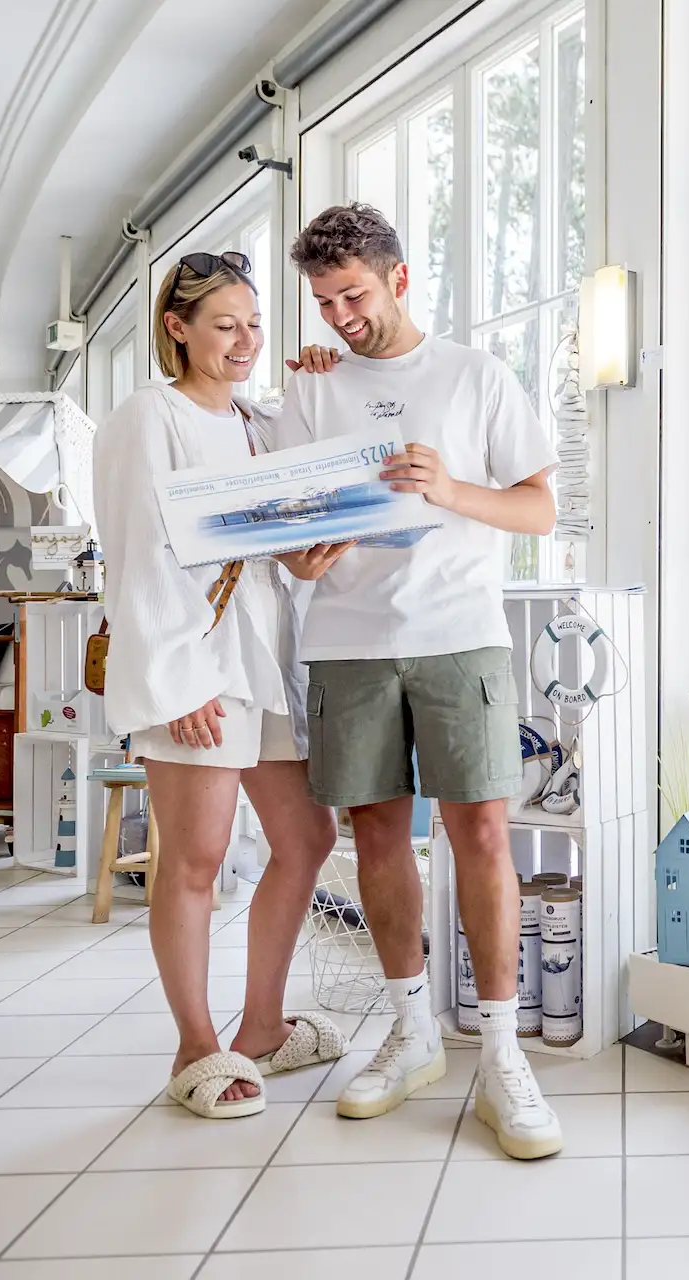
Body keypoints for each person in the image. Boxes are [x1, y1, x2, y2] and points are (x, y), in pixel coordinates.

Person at [272, 202, 562, 1158]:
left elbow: (539, 510)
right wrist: (303, 563)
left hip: (460, 634)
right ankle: (411, 1032)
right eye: (323, 302)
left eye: (352, 295)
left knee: (481, 831)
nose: (340, 317)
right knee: (377, 835)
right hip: (346, 639)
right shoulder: (311, 389)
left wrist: (447, 491)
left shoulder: (475, 376)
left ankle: (500, 1052)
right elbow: (290, 535)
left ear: (399, 278)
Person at [92, 250, 344, 1118]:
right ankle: (195, 1045)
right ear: (177, 328)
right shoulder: (145, 417)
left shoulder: (255, 421)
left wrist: (305, 558)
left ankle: (264, 1026)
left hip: (264, 658)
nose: (244, 341)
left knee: (305, 839)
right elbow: (136, 560)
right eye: (224, 324)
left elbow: (283, 525)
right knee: (196, 860)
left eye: (253, 323)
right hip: (193, 666)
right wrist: (178, 684)